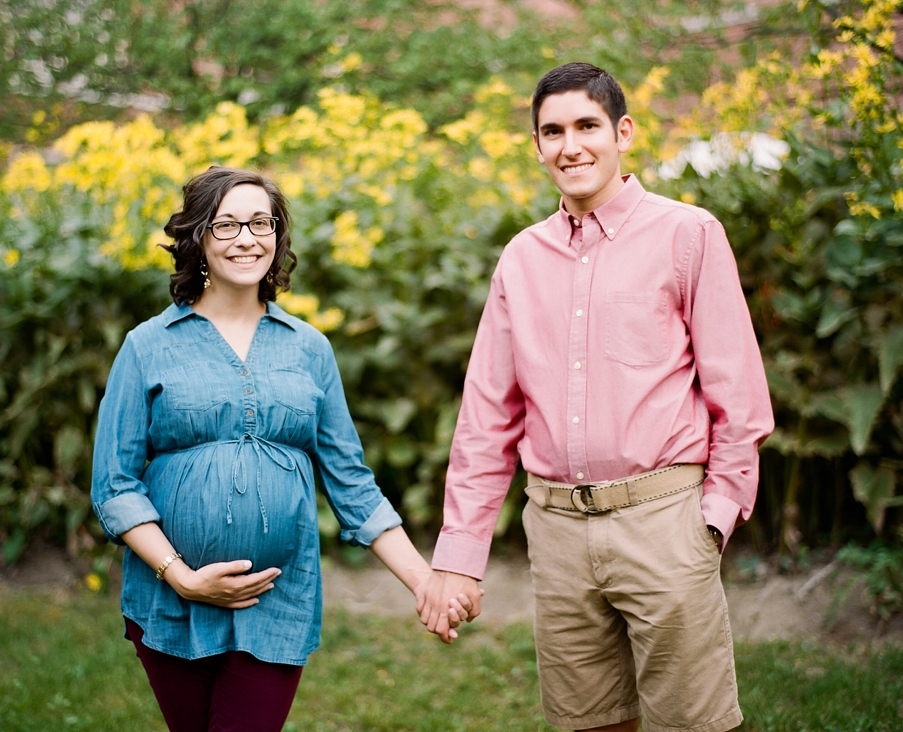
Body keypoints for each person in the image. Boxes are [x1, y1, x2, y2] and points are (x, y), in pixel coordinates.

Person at [416, 64, 774, 732]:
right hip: (556, 532)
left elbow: (738, 394)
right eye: (552, 131)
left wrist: (715, 515)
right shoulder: (520, 260)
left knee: (693, 724)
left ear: (623, 132)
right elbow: (487, 420)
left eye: (586, 126)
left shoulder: (687, 234)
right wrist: (460, 558)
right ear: (537, 145)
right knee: (588, 724)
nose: (570, 145)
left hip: (664, 520)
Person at [91, 166, 468, 732]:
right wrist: (182, 576)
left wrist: (424, 583)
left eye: (261, 222)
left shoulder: (310, 349)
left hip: (278, 600)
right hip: (172, 601)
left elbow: (352, 484)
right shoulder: (148, 346)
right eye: (227, 225)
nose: (247, 238)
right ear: (197, 239)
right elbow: (115, 486)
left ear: (278, 236)